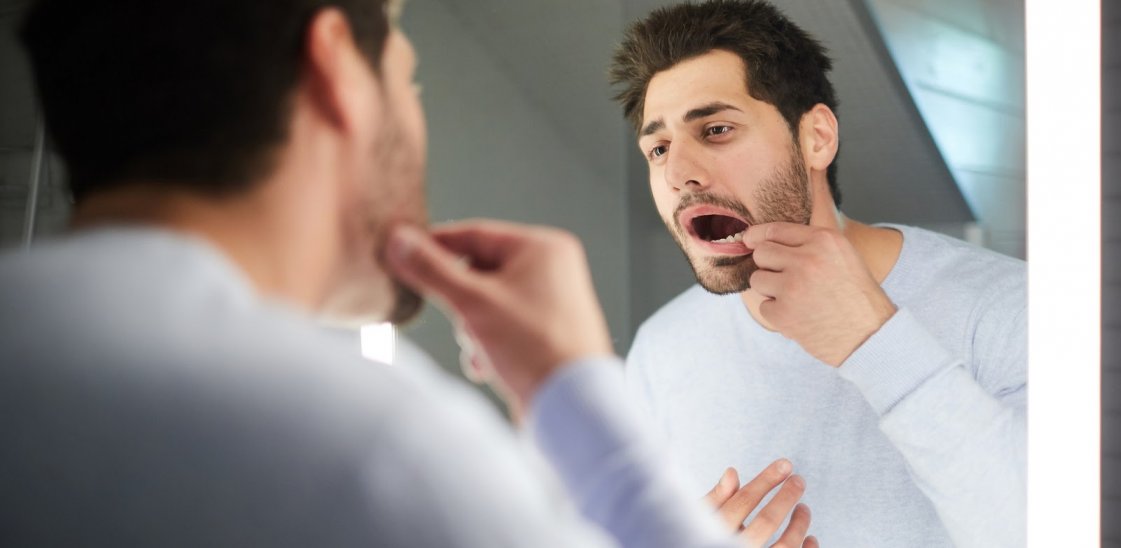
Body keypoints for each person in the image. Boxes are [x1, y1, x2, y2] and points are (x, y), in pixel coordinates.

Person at [0, 1, 819, 546]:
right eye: (408, 80)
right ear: (338, 72)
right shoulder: (366, 450)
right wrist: (580, 401)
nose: (679, 171)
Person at [610, 1, 1025, 547]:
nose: (679, 174)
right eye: (658, 148)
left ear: (817, 138)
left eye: (715, 129)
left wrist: (872, 341)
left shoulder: (1008, 308)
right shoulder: (662, 349)